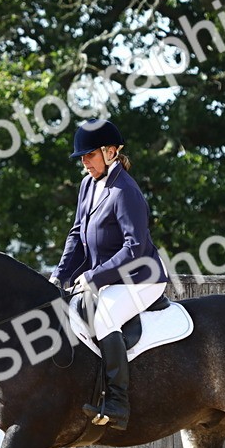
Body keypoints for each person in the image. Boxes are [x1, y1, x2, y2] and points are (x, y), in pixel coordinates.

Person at [50, 118, 168, 430]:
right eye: (82, 158)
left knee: (104, 317)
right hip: (108, 277)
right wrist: (59, 277)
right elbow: (77, 236)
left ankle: (118, 402)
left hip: (142, 276)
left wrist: (95, 277)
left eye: (89, 155)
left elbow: (135, 246)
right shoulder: (88, 184)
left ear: (111, 152)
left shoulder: (125, 191)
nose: (85, 162)